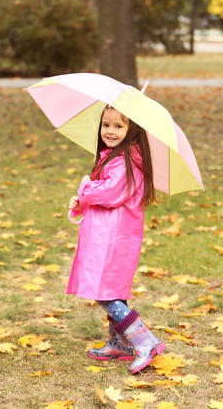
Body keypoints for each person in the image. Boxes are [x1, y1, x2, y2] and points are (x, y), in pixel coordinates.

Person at [66, 104, 166, 374]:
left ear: (132, 130)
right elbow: (102, 193)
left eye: (118, 126)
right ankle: (119, 343)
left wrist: (85, 186)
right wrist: (82, 200)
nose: (110, 131)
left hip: (111, 239)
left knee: (105, 291)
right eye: (106, 125)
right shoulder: (113, 157)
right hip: (106, 235)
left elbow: (109, 193)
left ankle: (144, 339)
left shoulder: (124, 162)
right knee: (113, 289)